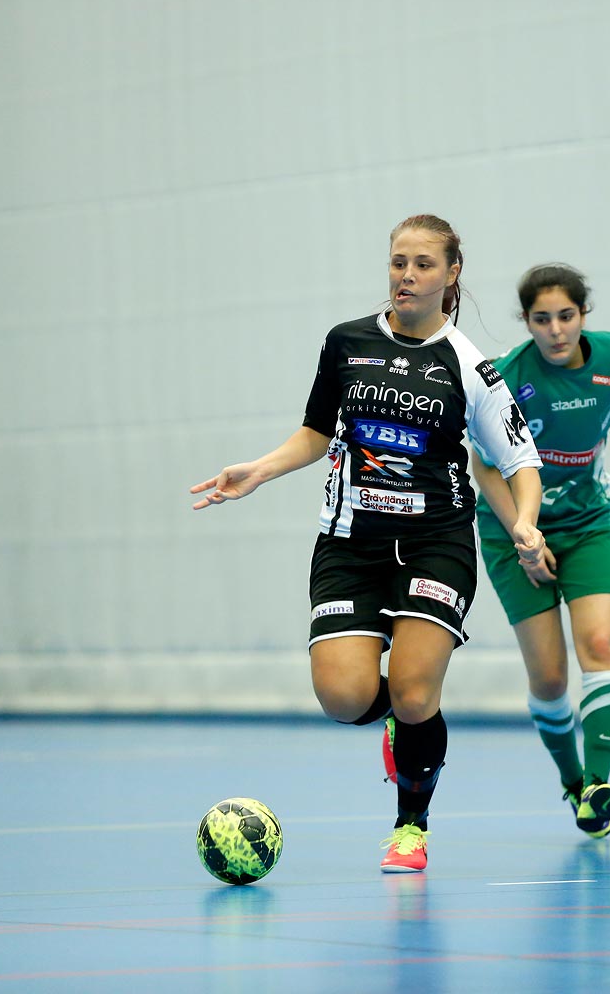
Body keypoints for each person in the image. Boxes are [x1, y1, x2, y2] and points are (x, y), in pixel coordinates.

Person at [190, 215, 544, 873]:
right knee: (343, 697)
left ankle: (412, 826)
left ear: (451, 275)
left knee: (414, 691)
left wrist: (524, 522)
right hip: (350, 543)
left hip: (436, 542)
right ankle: (401, 726)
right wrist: (260, 470)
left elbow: (519, 460)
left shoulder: (470, 367)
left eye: (422, 265)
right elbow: (316, 431)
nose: (406, 276)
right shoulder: (346, 343)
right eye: (397, 263)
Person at [469, 263, 610, 838]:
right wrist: (524, 532)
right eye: (542, 320)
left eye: (566, 316)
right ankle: (572, 784)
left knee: (600, 642)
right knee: (548, 678)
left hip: (590, 521)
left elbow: (594, 425)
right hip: (511, 527)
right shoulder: (506, 379)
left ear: (584, 315)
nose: (557, 330)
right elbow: (484, 466)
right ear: (527, 323)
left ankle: (597, 784)